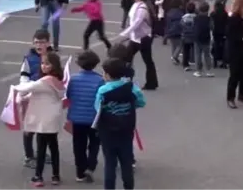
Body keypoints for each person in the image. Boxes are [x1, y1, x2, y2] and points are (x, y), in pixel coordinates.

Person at [13, 52, 65, 186]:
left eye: (47, 63)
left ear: (54, 65)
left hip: (43, 120)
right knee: (54, 147)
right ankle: (55, 175)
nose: (43, 66)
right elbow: (40, 93)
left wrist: (14, 89)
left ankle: (38, 176)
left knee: (41, 148)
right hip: (53, 118)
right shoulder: (57, 81)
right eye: (42, 63)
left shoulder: (44, 81)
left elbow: (26, 88)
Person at [95, 58, 146, 190]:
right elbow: (141, 103)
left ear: (107, 74)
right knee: (126, 163)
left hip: (107, 132)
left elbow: (97, 109)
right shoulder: (132, 88)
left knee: (110, 163)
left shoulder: (103, 90)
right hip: (126, 130)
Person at [66, 50, 103, 183]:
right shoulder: (100, 80)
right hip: (94, 118)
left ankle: (80, 172)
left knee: (78, 145)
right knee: (94, 144)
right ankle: (91, 166)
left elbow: (69, 96)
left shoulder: (73, 79)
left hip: (77, 117)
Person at [19, 29, 53, 168]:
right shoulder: (28, 58)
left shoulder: (52, 57)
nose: (39, 45)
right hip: (31, 96)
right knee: (29, 128)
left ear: (48, 43)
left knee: (42, 127)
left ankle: (41, 152)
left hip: (46, 97)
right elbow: (24, 76)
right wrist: (24, 91)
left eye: (42, 42)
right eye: (36, 42)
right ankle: (28, 156)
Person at [123, 0, 158, 90]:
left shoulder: (142, 7)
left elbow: (137, 23)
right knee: (127, 58)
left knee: (147, 60)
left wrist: (125, 33)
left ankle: (151, 83)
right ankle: (128, 80)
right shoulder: (135, 4)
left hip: (143, 39)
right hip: (136, 38)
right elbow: (132, 22)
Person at [193, 2, 214, 77]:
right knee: (207, 55)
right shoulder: (209, 19)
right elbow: (212, 27)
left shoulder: (196, 18)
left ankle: (198, 71)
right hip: (206, 38)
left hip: (197, 39)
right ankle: (208, 70)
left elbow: (193, 27)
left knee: (197, 55)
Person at [210, 0, 228, 68]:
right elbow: (227, 23)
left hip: (215, 32)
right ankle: (224, 62)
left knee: (215, 45)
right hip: (223, 32)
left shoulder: (213, 13)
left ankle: (215, 61)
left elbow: (211, 23)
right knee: (224, 47)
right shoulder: (225, 13)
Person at [165, 0, 183, 65]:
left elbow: (167, 23)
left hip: (170, 31)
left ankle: (173, 57)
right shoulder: (180, 13)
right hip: (178, 31)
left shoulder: (169, 12)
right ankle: (175, 56)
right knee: (180, 45)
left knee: (173, 45)